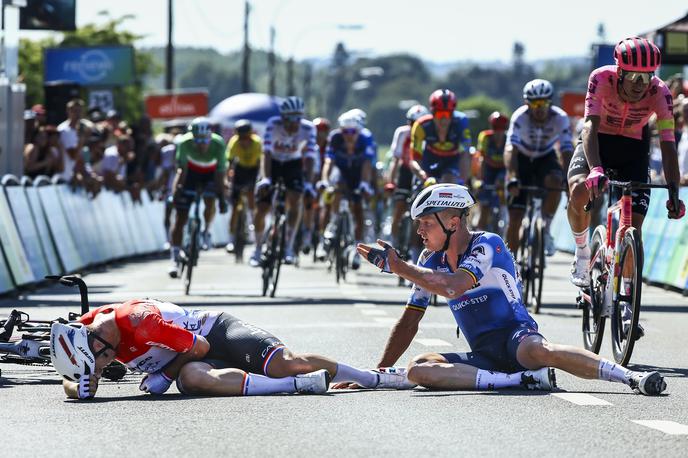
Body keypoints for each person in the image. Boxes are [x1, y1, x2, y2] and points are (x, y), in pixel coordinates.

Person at [338, 183, 667, 396]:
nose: (420, 231)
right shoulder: (430, 259)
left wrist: (400, 267)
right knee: (419, 367)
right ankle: (516, 381)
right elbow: (410, 320)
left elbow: (454, 288)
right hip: (483, 356)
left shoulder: (487, 245)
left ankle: (629, 378)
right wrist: (376, 373)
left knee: (538, 353)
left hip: (518, 340)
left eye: (426, 223)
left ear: (453, 221)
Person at [49, 298, 409, 399]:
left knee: (286, 362)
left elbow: (202, 345)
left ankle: (373, 377)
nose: (103, 365)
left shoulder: (141, 321)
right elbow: (78, 374)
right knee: (194, 381)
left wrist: (165, 373)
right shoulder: (88, 332)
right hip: (194, 358)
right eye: (96, 362)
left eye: (102, 358)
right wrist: (76, 386)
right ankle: (298, 388)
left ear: (101, 341)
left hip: (217, 332)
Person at [567, 37, 685, 339]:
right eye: (633, 76)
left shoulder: (660, 93)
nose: (639, 84)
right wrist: (595, 168)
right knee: (579, 189)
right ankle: (582, 254)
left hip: (633, 148)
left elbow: (669, 145)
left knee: (635, 229)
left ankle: (628, 305)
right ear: (619, 72)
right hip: (598, 143)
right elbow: (590, 126)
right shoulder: (600, 78)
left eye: (646, 77)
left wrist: (673, 190)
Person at [504, 79, 573, 256]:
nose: (539, 108)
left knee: (556, 181)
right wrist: (512, 176)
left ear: (550, 102)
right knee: (515, 219)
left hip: (545, 156)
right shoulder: (520, 117)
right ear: (527, 104)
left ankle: (546, 229)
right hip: (522, 159)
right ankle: (510, 267)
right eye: (534, 103)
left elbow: (566, 150)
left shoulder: (560, 117)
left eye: (544, 103)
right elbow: (511, 149)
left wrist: (568, 178)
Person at [253, 96, 318, 266]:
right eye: (290, 118)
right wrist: (266, 178)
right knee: (262, 206)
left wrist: (309, 184)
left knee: (296, 199)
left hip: (293, 164)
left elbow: (310, 158)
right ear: (283, 117)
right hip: (272, 163)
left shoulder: (308, 128)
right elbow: (265, 153)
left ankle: (288, 246)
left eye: (298, 118)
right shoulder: (273, 124)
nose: (295, 122)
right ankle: (258, 248)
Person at [167, 117, 228, 277]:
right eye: (198, 140)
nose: (202, 144)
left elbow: (220, 174)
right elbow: (181, 171)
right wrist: (175, 192)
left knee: (210, 200)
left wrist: (222, 197)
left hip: (210, 173)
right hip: (191, 174)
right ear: (192, 137)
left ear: (210, 136)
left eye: (205, 140)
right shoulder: (184, 143)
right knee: (180, 217)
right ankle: (174, 258)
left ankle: (207, 230)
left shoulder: (219, 143)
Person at [319, 112, 377, 269]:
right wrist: (325, 180)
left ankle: (357, 251)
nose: (349, 135)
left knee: (358, 211)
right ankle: (331, 226)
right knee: (336, 190)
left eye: (352, 132)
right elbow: (328, 162)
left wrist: (365, 184)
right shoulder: (335, 138)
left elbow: (367, 164)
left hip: (358, 174)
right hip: (341, 172)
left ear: (358, 131)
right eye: (345, 131)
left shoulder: (365, 138)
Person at [411, 89, 472, 184]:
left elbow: (465, 154)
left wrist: (463, 181)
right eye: (440, 114)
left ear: (452, 114)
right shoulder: (421, 125)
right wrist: (422, 175)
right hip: (429, 161)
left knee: (448, 180)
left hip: (452, 162)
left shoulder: (461, 123)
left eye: (447, 114)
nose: (443, 119)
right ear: (433, 113)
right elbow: (415, 159)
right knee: (423, 188)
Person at [225, 119, 262, 255]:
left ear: (250, 135)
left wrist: (260, 179)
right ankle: (231, 239)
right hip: (240, 170)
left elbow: (261, 163)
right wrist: (228, 181)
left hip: (253, 171)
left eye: (246, 137)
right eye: (241, 137)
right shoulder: (234, 142)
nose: (244, 141)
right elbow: (229, 163)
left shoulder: (257, 142)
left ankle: (253, 233)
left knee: (252, 200)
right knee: (234, 208)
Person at [476, 111, 509, 231]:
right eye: (495, 128)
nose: (498, 131)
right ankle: (479, 232)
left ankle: (504, 212)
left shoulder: (508, 138)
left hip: (503, 169)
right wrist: (480, 180)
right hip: (489, 169)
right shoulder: (485, 137)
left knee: (501, 184)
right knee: (484, 205)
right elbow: (482, 160)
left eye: (501, 128)